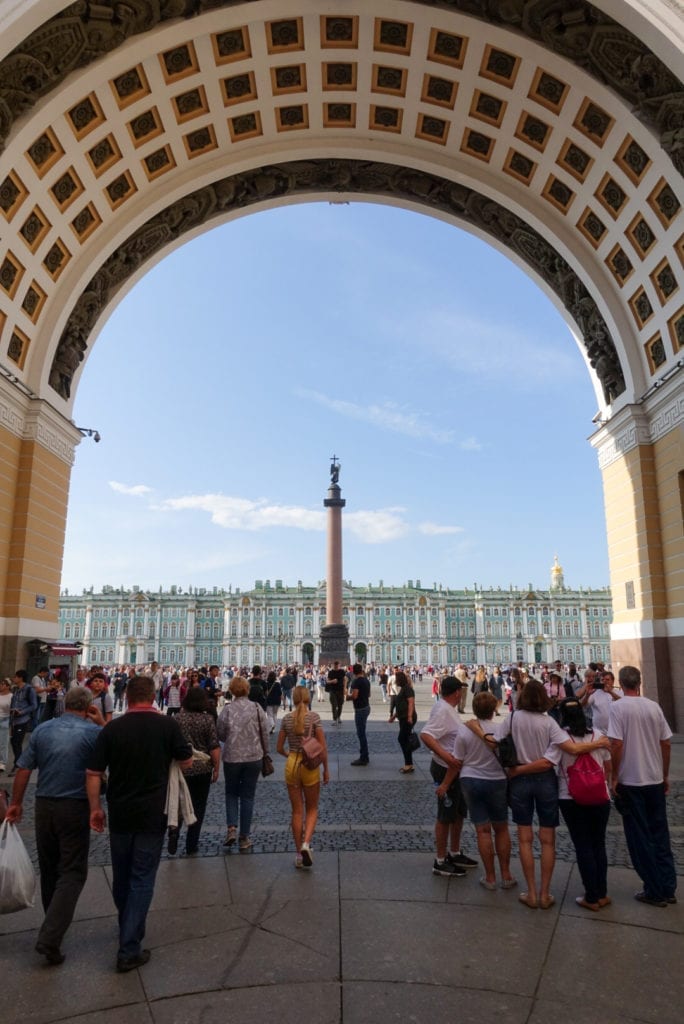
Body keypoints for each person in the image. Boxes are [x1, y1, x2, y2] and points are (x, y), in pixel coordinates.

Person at [467, 679, 609, 910]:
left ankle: (531, 893)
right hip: (546, 781)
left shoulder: (513, 718)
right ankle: (545, 894)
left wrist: (476, 729)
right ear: (543, 698)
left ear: (522, 698)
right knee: (547, 841)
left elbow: (494, 743)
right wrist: (598, 743)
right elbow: (571, 749)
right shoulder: (549, 723)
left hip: (520, 782)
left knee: (524, 838)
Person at [86, 675, 192, 972]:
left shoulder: (113, 729)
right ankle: (129, 946)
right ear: (153, 695)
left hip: (120, 812)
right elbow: (186, 760)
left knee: (122, 876)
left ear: (127, 696)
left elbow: (93, 773)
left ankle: (128, 928)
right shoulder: (167, 725)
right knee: (142, 877)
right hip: (152, 812)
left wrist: (95, 808)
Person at [5, 687, 105, 965]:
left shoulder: (43, 730)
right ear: (88, 707)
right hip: (74, 807)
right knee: (72, 872)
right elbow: (107, 761)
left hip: (44, 806)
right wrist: (100, 723)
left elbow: (24, 768)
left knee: (49, 869)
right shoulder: (93, 733)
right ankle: (50, 936)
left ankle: (53, 928)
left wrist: (16, 803)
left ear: (63, 705)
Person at [608, 665, 677, 908]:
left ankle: (654, 890)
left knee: (639, 838)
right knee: (660, 834)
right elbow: (666, 743)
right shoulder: (653, 706)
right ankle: (668, 887)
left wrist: (614, 777)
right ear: (639, 682)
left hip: (631, 782)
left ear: (620, 683)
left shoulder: (617, 708)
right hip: (654, 780)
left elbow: (616, 744)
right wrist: (664, 774)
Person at [436, 692, 516, 890]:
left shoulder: (464, 732)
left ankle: (489, 878)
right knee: (502, 828)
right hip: (496, 781)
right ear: (493, 710)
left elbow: (457, 762)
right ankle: (506, 875)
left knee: (482, 830)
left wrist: (445, 784)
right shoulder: (500, 730)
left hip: (471, 781)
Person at [557, 698, 612, 911]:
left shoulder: (561, 737)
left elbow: (554, 765)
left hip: (571, 797)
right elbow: (607, 765)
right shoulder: (598, 735)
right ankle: (602, 894)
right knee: (598, 844)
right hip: (600, 795)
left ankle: (591, 896)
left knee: (583, 845)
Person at [420, 675, 477, 876]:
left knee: (459, 813)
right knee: (445, 815)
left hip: (455, 769)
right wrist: (448, 756)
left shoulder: (446, 708)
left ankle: (454, 851)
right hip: (445, 769)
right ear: (456, 693)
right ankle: (440, 859)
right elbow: (426, 735)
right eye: (461, 690)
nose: (462, 693)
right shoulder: (443, 710)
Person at [277, 685, 329, 868]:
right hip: (309, 766)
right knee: (312, 808)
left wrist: (290, 756)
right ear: (308, 698)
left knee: (296, 811)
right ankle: (306, 844)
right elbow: (322, 748)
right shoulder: (314, 718)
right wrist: (326, 770)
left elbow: (278, 747)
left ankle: (299, 854)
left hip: (292, 764)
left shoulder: (286, 719)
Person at [216, 675, 268, 852]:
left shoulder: (228, 709)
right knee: (247, 796)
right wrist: (265, 752)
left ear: (231, 691)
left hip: (232, 757)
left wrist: (230, 739)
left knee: (231, 793)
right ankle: (244, 837)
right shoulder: (256, 707)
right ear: (247, 690)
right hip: (254, 757)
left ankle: (231, 829)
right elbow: (265, 731)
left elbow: (220, 732)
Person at [168, 687, 220, 856]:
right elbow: (214, 747)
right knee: (198, 805)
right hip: (202, 769)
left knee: (178, 800)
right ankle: (192, 843)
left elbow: (171, 745)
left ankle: (174, 830)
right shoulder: (207, 720)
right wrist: (216, 769)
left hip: (181, 767)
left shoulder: (177, 719)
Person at [8, 669, 38, 774]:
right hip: (14, 720)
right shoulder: (15, 689)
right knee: (13, 741)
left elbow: (34, 705)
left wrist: (22, 712)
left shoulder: (29, 689)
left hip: (23, 719)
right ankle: (19, 763)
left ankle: (18, 764)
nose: (14, 678)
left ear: (20, 678)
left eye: (15, 677)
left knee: (17, 741)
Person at [393, 670, 417, 772]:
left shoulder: (407, 689)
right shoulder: (403, 689)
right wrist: (394, 716)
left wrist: (410, 717)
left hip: (407, 718)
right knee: (404, 740)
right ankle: (409, 764)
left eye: (396, 680)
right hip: (403, 717)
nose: (395, 682)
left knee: (402, 739)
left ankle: (408, 764)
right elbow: (401, 705)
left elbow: (411, 703)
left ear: (400, 680)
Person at [347, 662, 371, 765]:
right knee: (362, 732)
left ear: (353, 672)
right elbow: (369, 694)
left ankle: (364, 757)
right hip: (366, 707)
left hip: (360, 709)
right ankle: (364, 755)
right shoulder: (366, 680)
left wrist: (348, 697)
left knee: (361, 733)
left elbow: (355, 696)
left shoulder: (356, 682)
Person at [326, 660, 346, 724]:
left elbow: (345, 680)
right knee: (334, 705)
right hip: (332, 690)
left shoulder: (342, 671)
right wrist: (332, 681)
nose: (336, 668)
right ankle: (335, 719)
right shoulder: (331, 672)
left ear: (339, 666)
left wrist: (345, 688)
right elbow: (327, 681)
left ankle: (339, 717)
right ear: (333, 666)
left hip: (340, 690)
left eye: (337, 666)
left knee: (340, 705)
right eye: (335, 666)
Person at [0, 677, 11, 772]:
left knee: (3, 743)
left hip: (5, 720)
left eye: (2, 684)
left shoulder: (11, 696)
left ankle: (2, 762)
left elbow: (12, 711)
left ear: (7, 686)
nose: (0, 685)